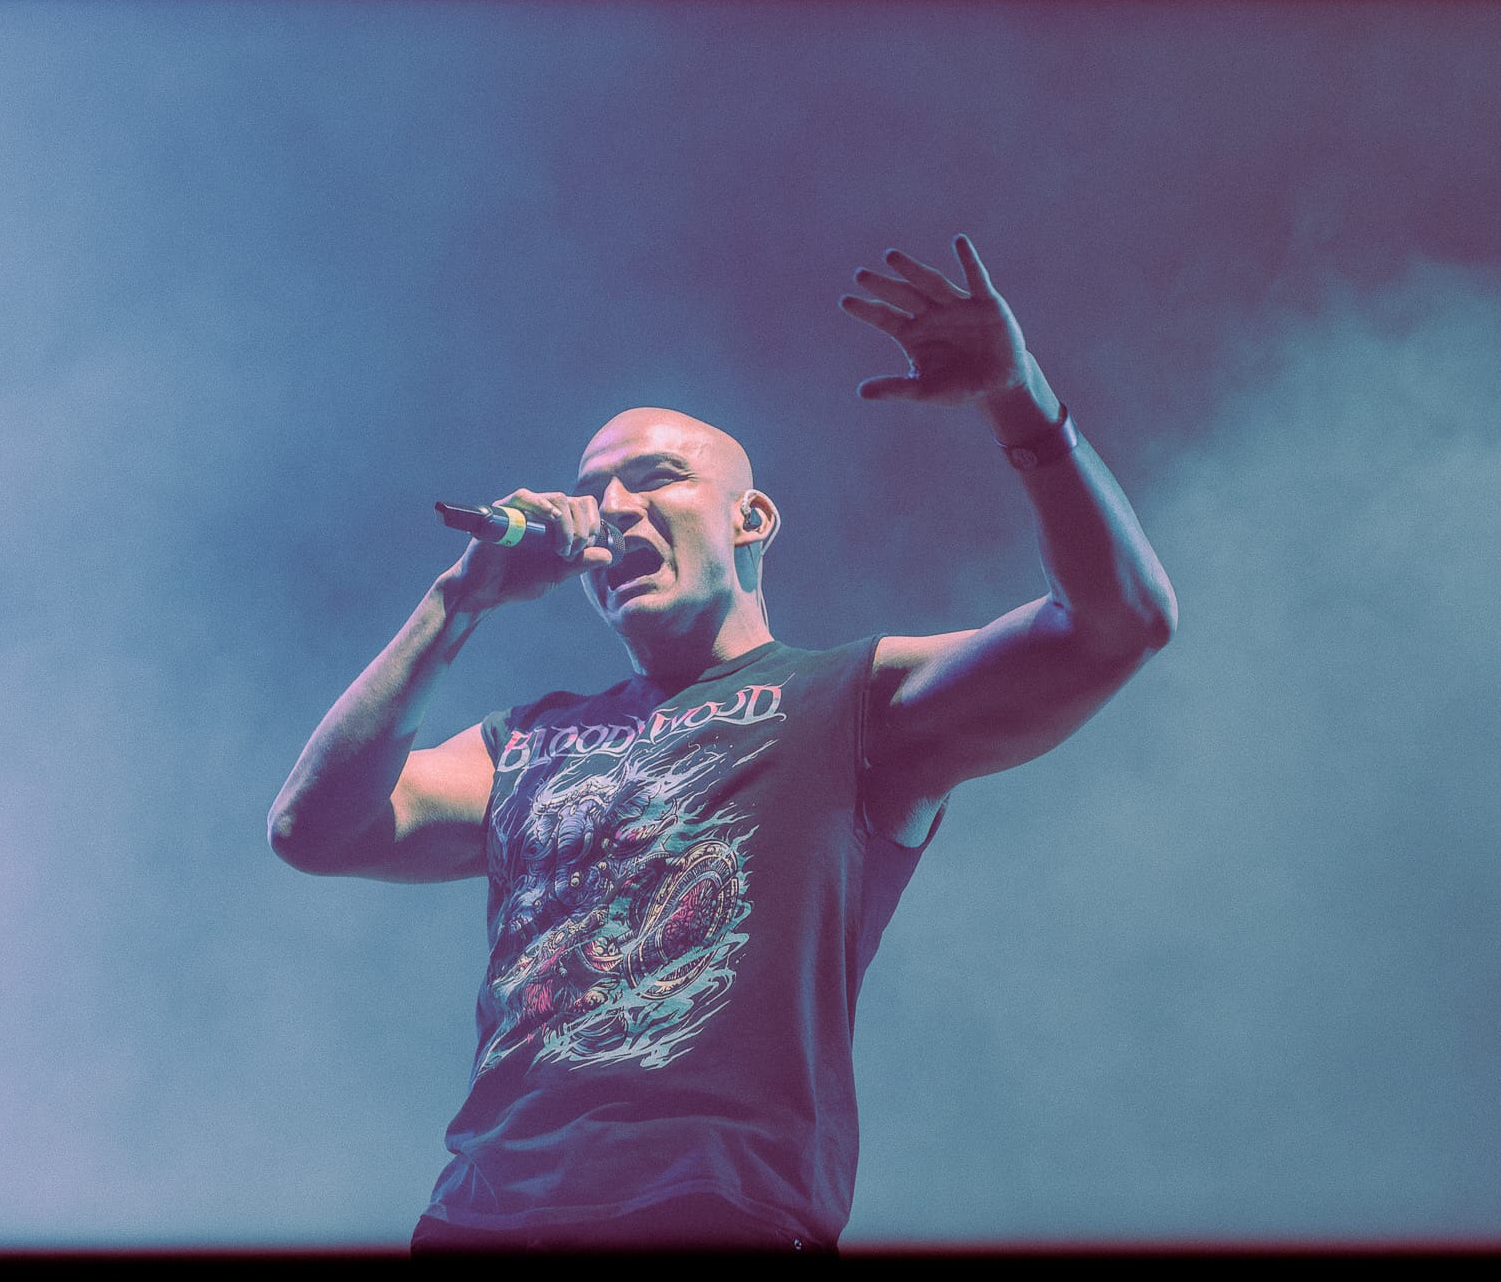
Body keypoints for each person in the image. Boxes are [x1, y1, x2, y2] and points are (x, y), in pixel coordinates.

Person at [268, 234, 1178, 1253]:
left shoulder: (844, 698)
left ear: (751, 518)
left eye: (656, 478)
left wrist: (1021, 400)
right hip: (477, 1219)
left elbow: (1119, 623)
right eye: (596, 493)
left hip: (712, 1210)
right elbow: (311, 827)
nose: (614, 509)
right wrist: (457, 600)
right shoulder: (525, 742)